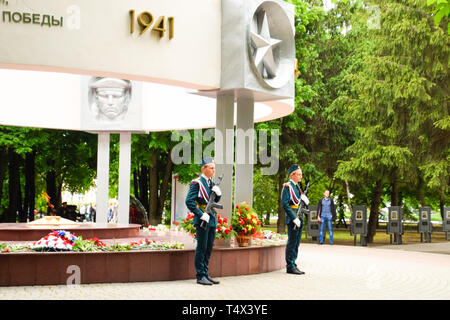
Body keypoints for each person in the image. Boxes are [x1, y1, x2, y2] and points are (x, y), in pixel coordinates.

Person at [185, 157, 222, 285]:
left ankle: (206, 273)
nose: (213, 170)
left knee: (208, 248)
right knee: (201, 247)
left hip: (211, 218)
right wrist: (200, 214)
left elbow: (213, 202)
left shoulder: (211, 183)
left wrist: (218, 194)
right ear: (203, 168)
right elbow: (189, 201)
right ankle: (200, 275)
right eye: (211, 168)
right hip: (203, 219)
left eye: (214, 168)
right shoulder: (197, 183)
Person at [281, 164, 308, 275]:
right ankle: (290, 266)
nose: (301, 176)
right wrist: (294, 218)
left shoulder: (297, 187)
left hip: (299, 217)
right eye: (299, 174)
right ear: (292, 175)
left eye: (301, 174)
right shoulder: (287, 186)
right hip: (293, 218)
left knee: (296, 243)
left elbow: (298, 201)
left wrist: (304, 199)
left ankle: (293, 263)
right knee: (292, 242)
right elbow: (285, 204)